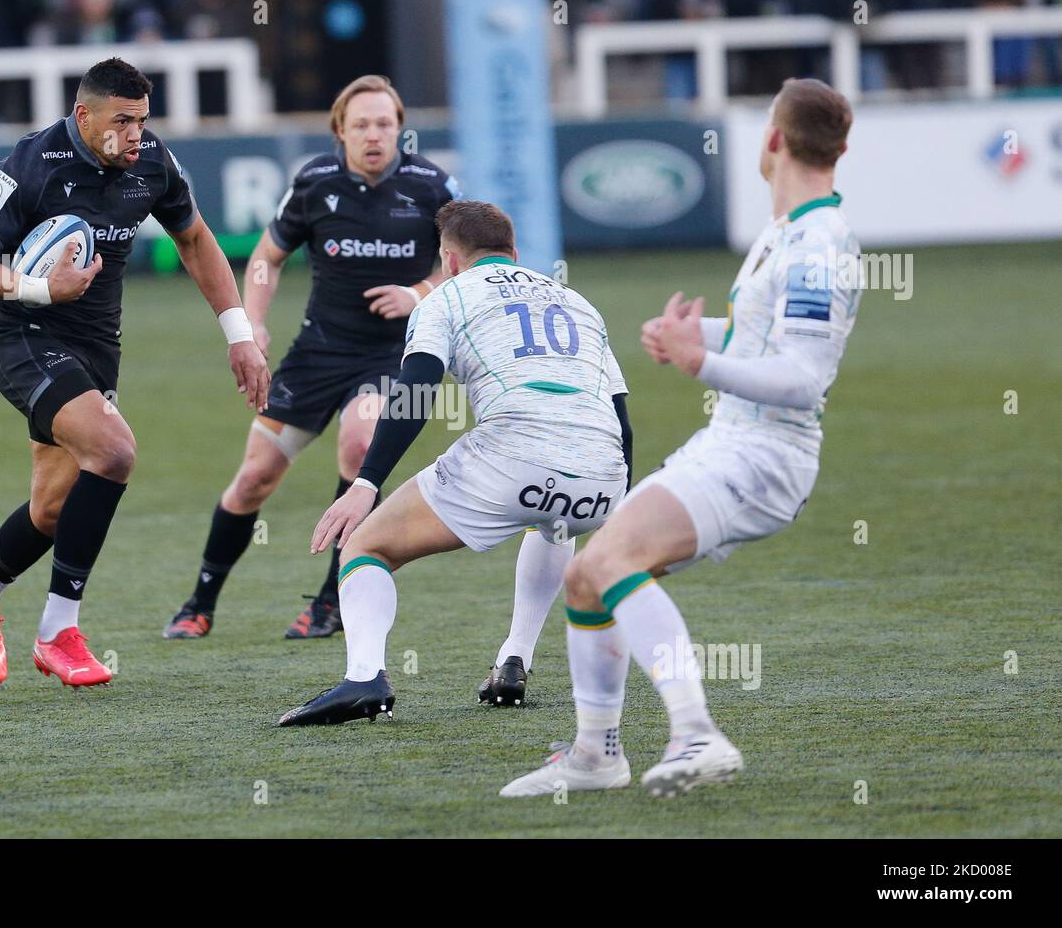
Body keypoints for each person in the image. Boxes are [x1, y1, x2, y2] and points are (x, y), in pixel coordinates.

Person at [501, 78, 861, 798]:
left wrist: (703, 363)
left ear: (772, 141)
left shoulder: (820, 245)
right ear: (841, 148)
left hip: (765, 454)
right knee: (586, 573)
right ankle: (595, 754)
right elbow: (768, 338)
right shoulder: (787, 231)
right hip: (733, 440)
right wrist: (695, 336)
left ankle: (696, 733)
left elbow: (802, 375)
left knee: (617, 557)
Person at [0, 57, 268, 687]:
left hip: (97, 348)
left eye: (144, 120)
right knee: (115, 451)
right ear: (84, 117)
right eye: (123, 121)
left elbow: (196, 240)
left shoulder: (152, 163)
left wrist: (240, 336)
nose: (136, 135)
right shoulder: (30, 165)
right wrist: (38, 288)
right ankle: (58, 631)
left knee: (53, 510)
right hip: (26, 336)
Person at [278, 200, 633, 727]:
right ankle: (516, 658)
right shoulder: (578, 302)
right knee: (555, 519)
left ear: (448, 261)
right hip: (603, 478)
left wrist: (366, 482)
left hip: (513, 458)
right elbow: (620, 416)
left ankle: (364, 680)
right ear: (515, 253)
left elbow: (417, 392)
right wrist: (619, 502)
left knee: (365, 546)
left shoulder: (448, 297)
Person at [163, 75, 458, 641]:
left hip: (392, 355)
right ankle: (200, 602)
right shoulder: (314, 183)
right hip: (317, 353)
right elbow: (266, 259)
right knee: (254, 479)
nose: (375, 135)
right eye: (362, 125)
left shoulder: (432, 187)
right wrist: (250, 324)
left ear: (400, 129)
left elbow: (461, 262)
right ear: (340, 132)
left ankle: (330, 601)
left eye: (386, 124)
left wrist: (419, 293)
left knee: (360, 440)